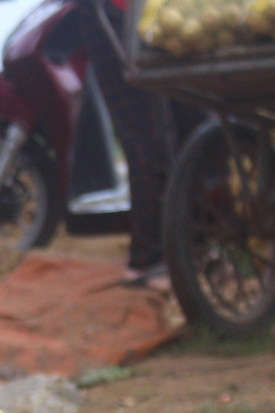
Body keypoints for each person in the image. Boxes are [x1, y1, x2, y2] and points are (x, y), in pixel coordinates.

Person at [73, 0, 203, 287]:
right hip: (114, 12)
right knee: (148, 135)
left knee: (188, 124)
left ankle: (192, 247)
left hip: (154, 14)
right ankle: (150, 259)